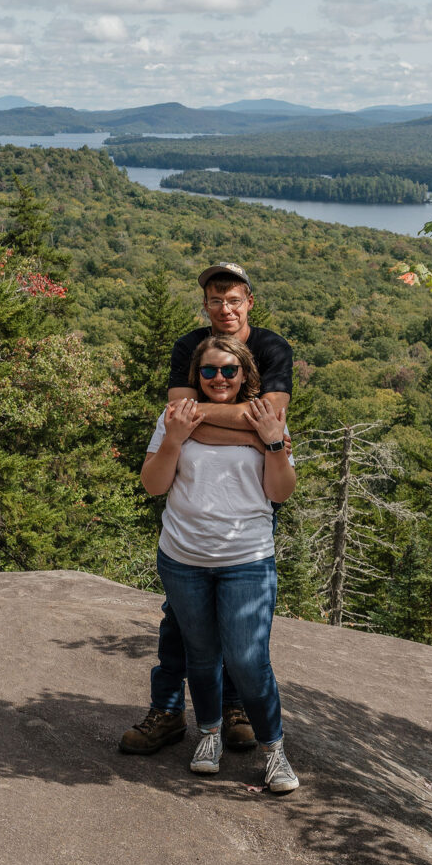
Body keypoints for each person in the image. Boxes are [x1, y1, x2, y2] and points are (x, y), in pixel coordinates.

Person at [119, 262, 293, 755]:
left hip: (248, 507)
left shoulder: (274, 347)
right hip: (190, 513)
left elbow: (272, 419)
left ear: (249, 301)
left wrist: (203, 423)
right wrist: (250, 430)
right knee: (183, 618)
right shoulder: (188, 345)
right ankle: (169, 711)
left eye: (234, 298)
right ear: (205, 304)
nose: (225, 308)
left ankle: (234, 708)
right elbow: (180, 416)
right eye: (215, 300)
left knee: (238, 626)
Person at [141, 335, 299, 792]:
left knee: (249, 661)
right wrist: (173, 440)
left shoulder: (270, 421)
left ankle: (274, 750)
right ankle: (209, 734)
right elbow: (154, 485)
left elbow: (280, 492)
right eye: (208, 371)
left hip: (246, 559)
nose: (219, 379)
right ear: (197, 376)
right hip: (184, 558)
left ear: (246, 375)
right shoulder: (173, 419)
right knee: (202, 657)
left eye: (229, 370)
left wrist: (273, 444)